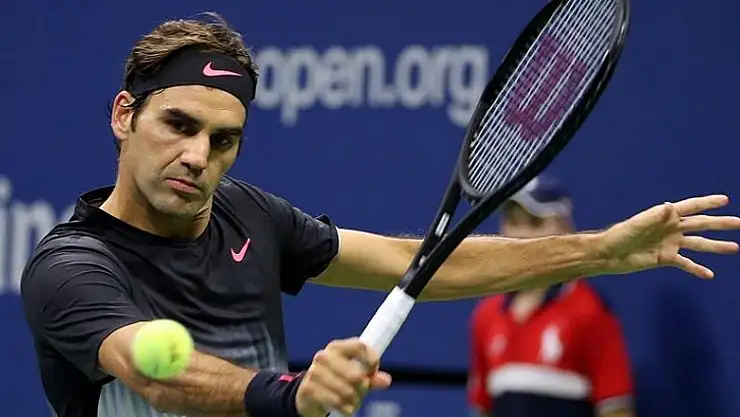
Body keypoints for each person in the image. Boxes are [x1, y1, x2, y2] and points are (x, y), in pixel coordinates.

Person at [18, 12, 740, 417]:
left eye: (224, 139)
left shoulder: (250, 215)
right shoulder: (72, 265)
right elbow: (155, 377)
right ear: (124, 115)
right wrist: (291, 395)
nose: (198, 155)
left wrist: (600, 251)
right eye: (178, 125)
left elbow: (414, 262)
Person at [467, 175, 635, 417]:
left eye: (535, 223)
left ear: (565, 228)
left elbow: (616, 410)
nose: (521, 235)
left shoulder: (590, 312)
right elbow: (482, 409)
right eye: (513, 222)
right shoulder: (486, 315)